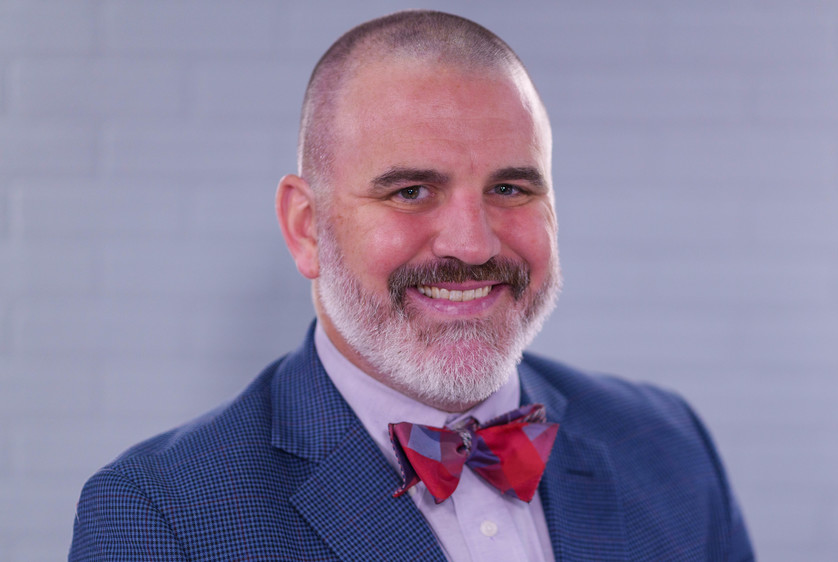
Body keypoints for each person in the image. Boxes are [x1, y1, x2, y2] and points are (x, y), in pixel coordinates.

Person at [70, 10, 753, 561]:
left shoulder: (669, 444)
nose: (473, 245)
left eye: (510, 189)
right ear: (307, 228)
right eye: (411, 191)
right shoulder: (160, 516)